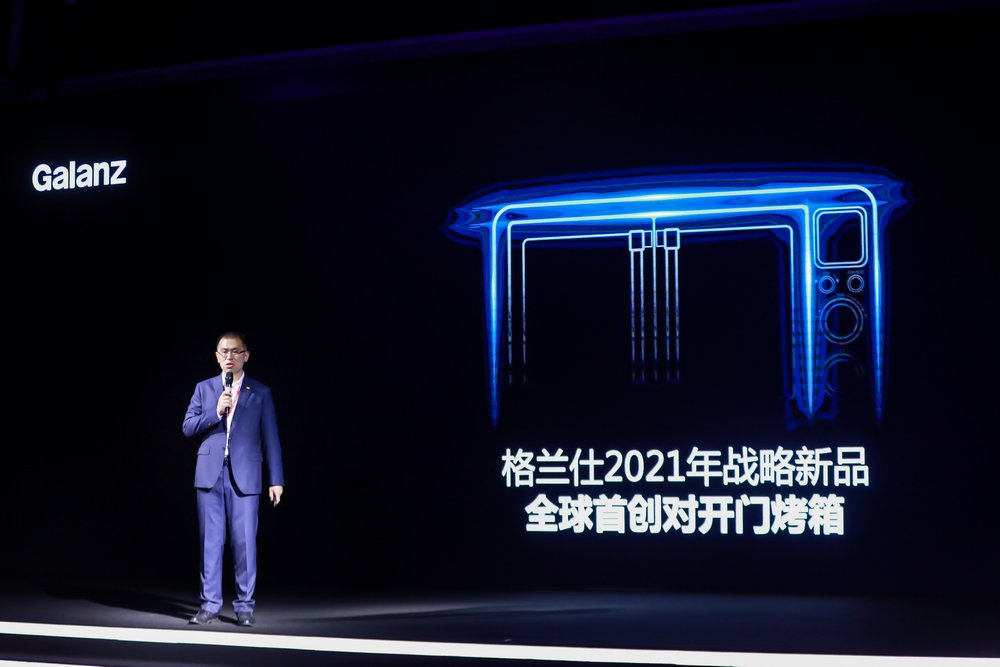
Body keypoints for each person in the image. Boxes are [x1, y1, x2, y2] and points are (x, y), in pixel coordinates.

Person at [182, 331, 284, 627]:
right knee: (210, 543)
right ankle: (209, 605)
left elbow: (271, 437)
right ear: (216, 357)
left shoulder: (260, 392)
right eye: (223, 352)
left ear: (245, 356)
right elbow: (187, 427)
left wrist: (276, 479)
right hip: (209, 476)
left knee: (244, 544)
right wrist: (216, 412)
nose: (229, 356)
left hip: (246, 475)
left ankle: (244, 607)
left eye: (235, 351)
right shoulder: (204, 388)